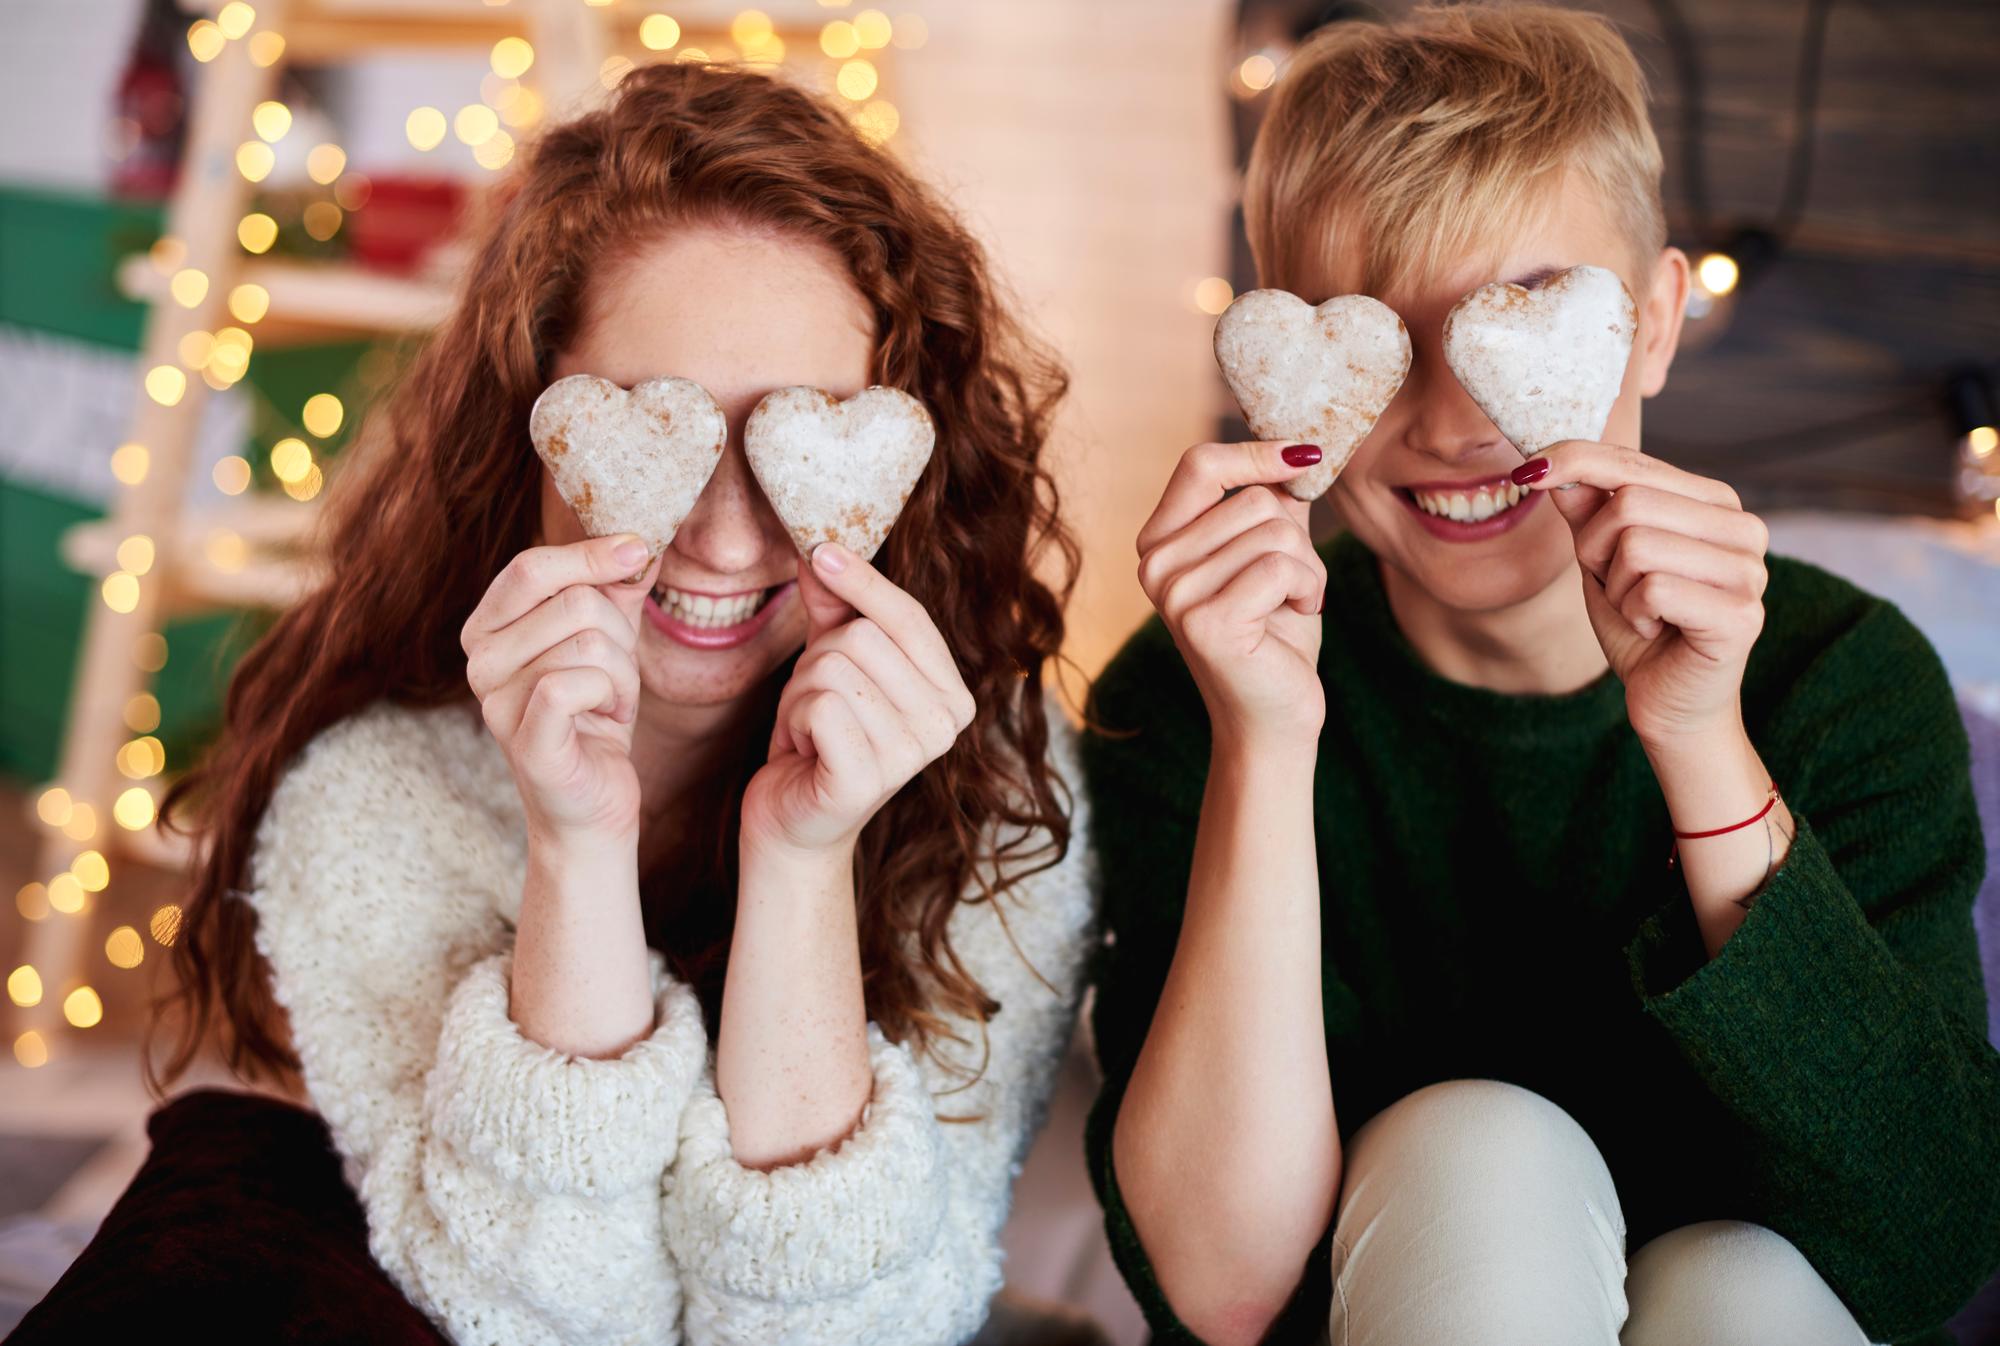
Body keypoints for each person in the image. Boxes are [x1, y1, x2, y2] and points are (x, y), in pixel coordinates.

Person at [136, 61, 1096, 1346]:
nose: (719, 533)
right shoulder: (374, 799)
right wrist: (573, 843)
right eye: (661, 425)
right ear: (533, 427)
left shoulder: (993, 777)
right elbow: (545, 1321)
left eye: (790, 440)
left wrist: (803, 859)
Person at [1080, 7, 2000, 1346]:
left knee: (1739, 1283)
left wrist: (1701, 746)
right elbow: (1220, 1290)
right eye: (1383, 340)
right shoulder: (1184, 689)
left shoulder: (1844, 681)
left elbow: (1926, 1247)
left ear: (1659, 324)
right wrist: (1263, 742)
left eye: (1514, 319)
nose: (1456, 427)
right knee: (1475, 1149)